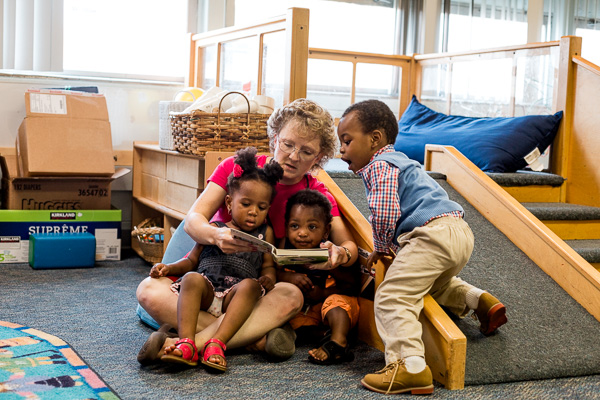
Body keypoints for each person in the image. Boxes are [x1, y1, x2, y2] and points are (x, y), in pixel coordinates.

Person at [136, 98, 358, 365]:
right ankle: (253, 338)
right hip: (209, 276)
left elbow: (349, 246)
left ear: (319, 157)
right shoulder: (236, 169)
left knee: (292, 295)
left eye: (307, 151)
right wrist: (215, 236)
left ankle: (185, 344)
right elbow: (194, 220)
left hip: (251, 290)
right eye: (288, 144)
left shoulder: (316, 194)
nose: (294, 156)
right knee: (148, 290)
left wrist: (340, 253)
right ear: (275, 138)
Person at [336, 99, 507, 395]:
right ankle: (477, 300)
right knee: (430, 286)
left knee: (392, 294)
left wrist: (381, 244)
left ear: (375, 139)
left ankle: (409, 366)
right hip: (458, 232)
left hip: (430, 234)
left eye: (347, 141)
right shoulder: (404, 162)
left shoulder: (379, 165)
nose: (341, 151)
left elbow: (384, 209)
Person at [149, 147, 281, 371]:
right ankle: (187, 342)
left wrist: (268, 278)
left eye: (261, 207)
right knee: (191, 278)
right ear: (229, 203)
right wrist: (168, 267)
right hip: (207, 292)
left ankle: (216, 343)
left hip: (235, 297)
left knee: (250, 285)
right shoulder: (214, 229)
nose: (253, 212)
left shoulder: (265, 234)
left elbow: (268, 266)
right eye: (246, 204)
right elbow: (191, 261)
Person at [278, 189, 361, 365]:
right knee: (285, 313)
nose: (302, 233)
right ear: (286, 227)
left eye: (312, 227)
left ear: (326, 231)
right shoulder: (284, 250)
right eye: (295, 226)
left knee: (336, 302)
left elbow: (352, 286)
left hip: (331, 309)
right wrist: (288, 277)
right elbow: (271, 273)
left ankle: (338, 340)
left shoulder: (330, 253)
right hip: (303, 313)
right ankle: (324, 336)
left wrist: (323, 293)